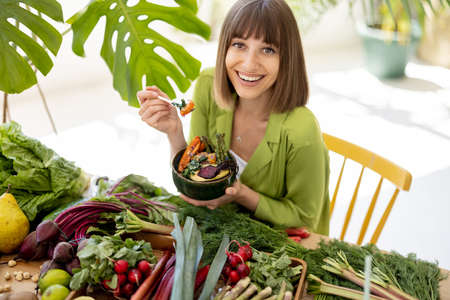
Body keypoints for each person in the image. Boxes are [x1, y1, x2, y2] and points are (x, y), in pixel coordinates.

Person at [137, 0, 330, 235]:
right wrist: (173, 132)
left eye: (268, 49)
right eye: (239, 45)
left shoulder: (301, 130)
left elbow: (304, 219)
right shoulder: (208, 86)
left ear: (287, 59)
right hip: (215, 230)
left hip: (275, 247)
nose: (249, 64)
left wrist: (242, 195)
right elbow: (194, 178)